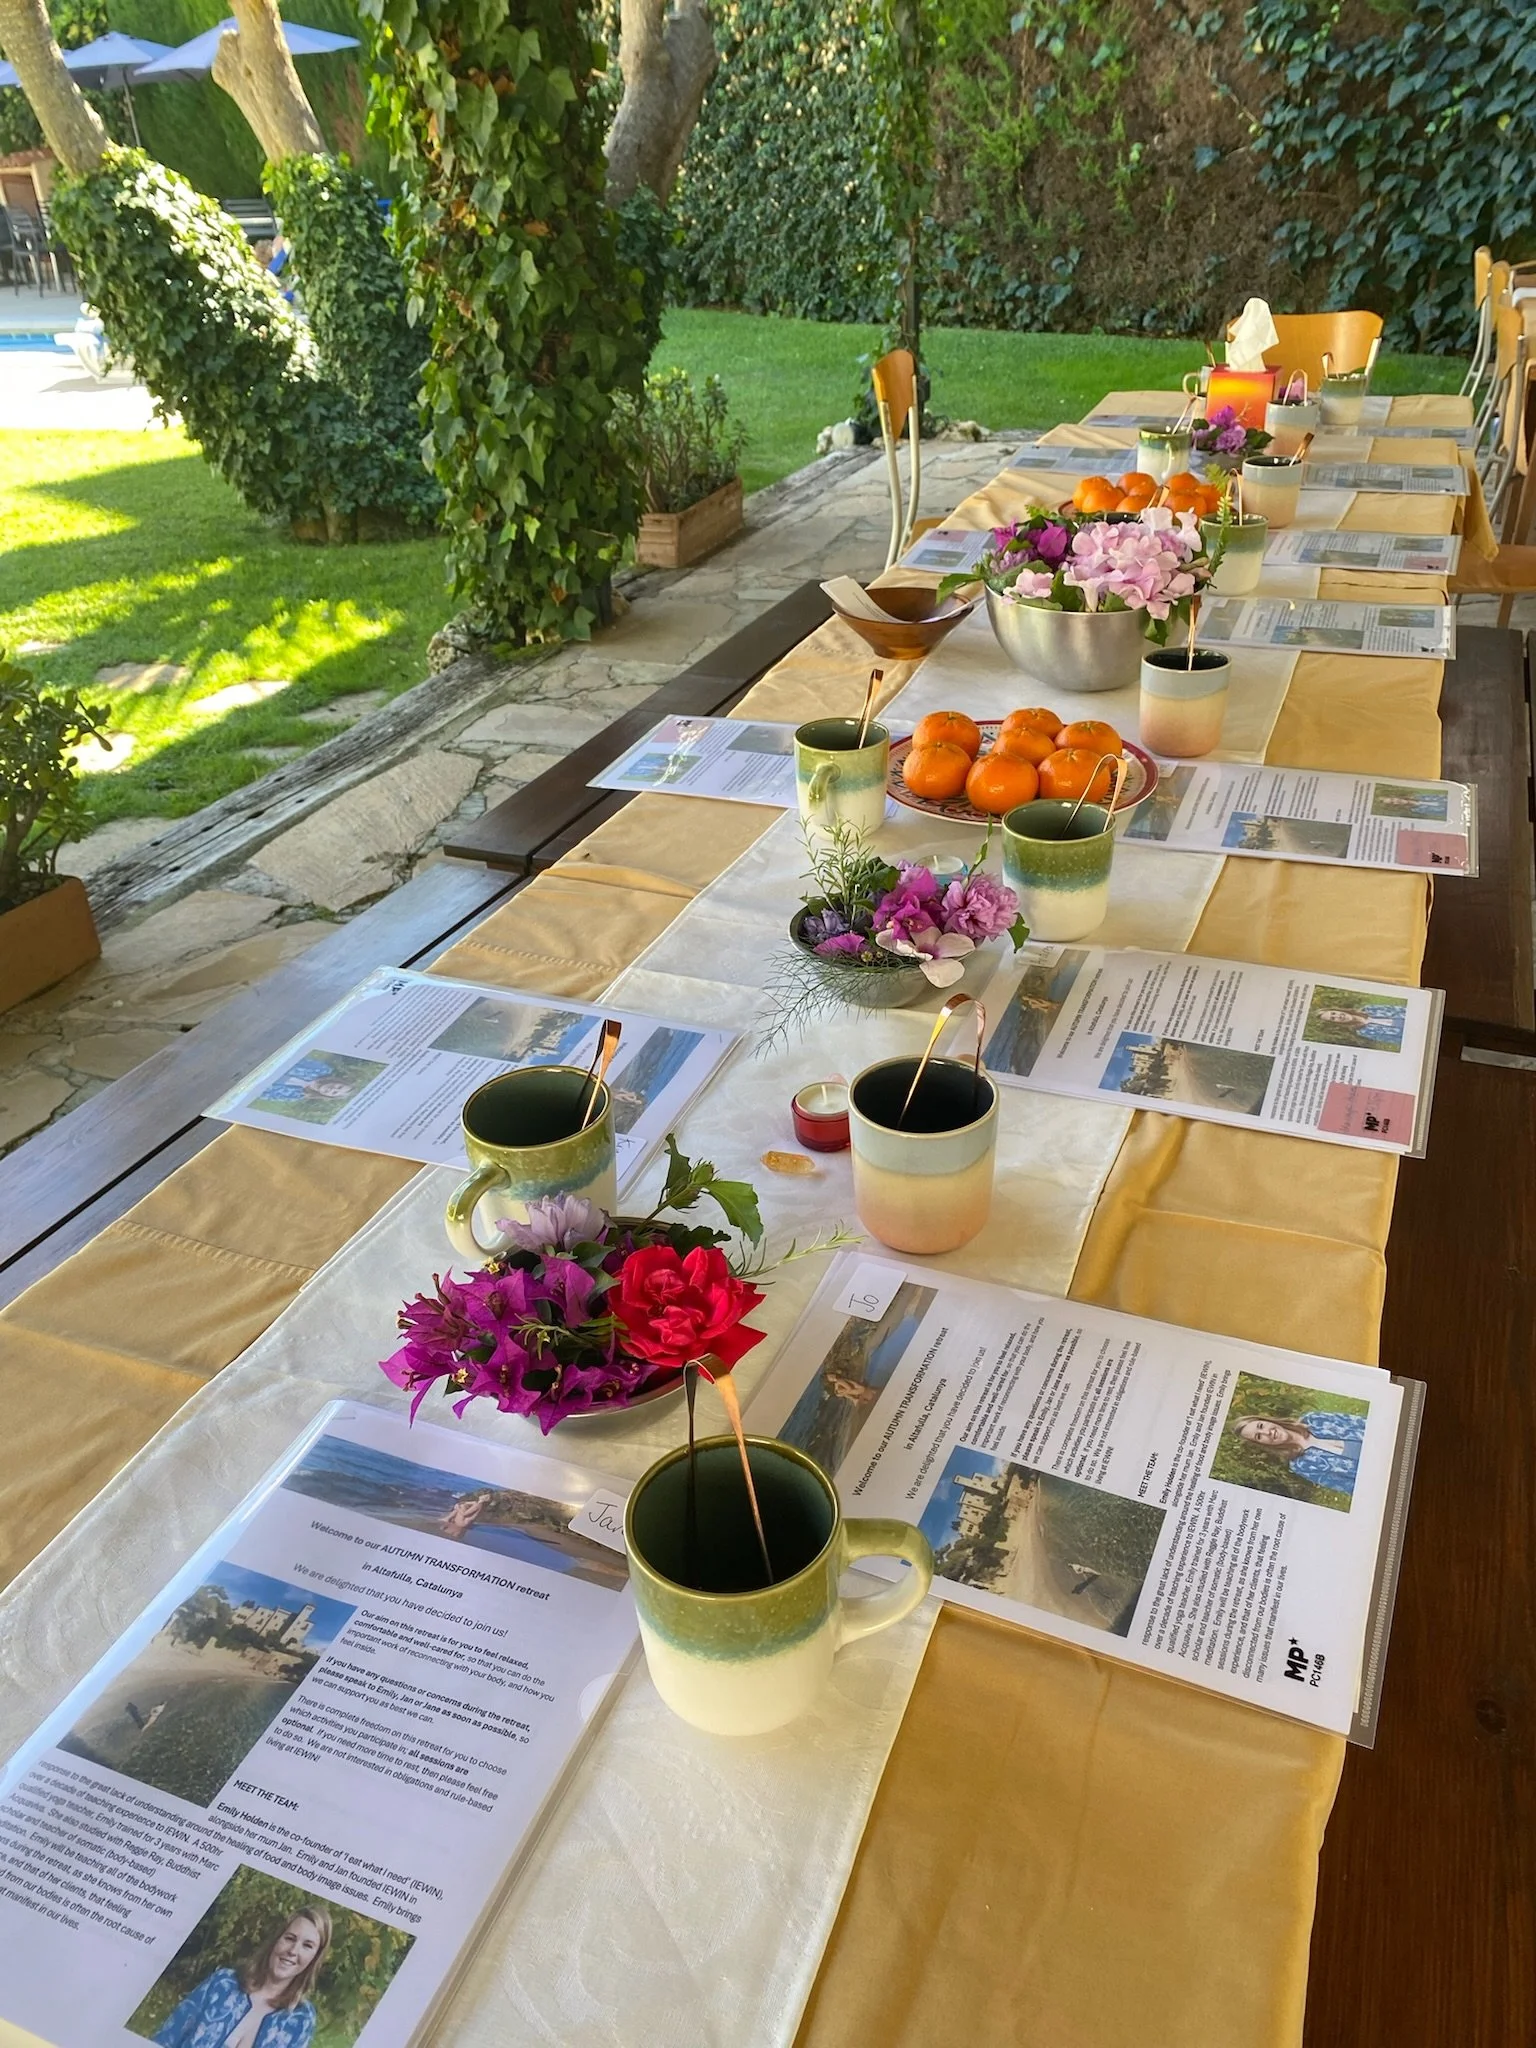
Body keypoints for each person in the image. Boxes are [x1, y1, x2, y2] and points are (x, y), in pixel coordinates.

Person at [153, 1906, 331, 2048]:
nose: (293, 1950)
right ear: (276, 1940)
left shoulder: (301, 2018)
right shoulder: (223, 1984)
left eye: (307, 1946)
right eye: (290, 1938)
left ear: (314, 1959)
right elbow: (167, 2037)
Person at [1232, 1412, 1366, 1498]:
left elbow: (1359, 1422)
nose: (1267, 1432)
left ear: (1267, 1420)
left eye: (1261, 1426)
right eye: (1259, 1436)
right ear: (1262, 1444)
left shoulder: (1313, 1419)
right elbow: (1348, 1486)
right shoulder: (1300, 1465)